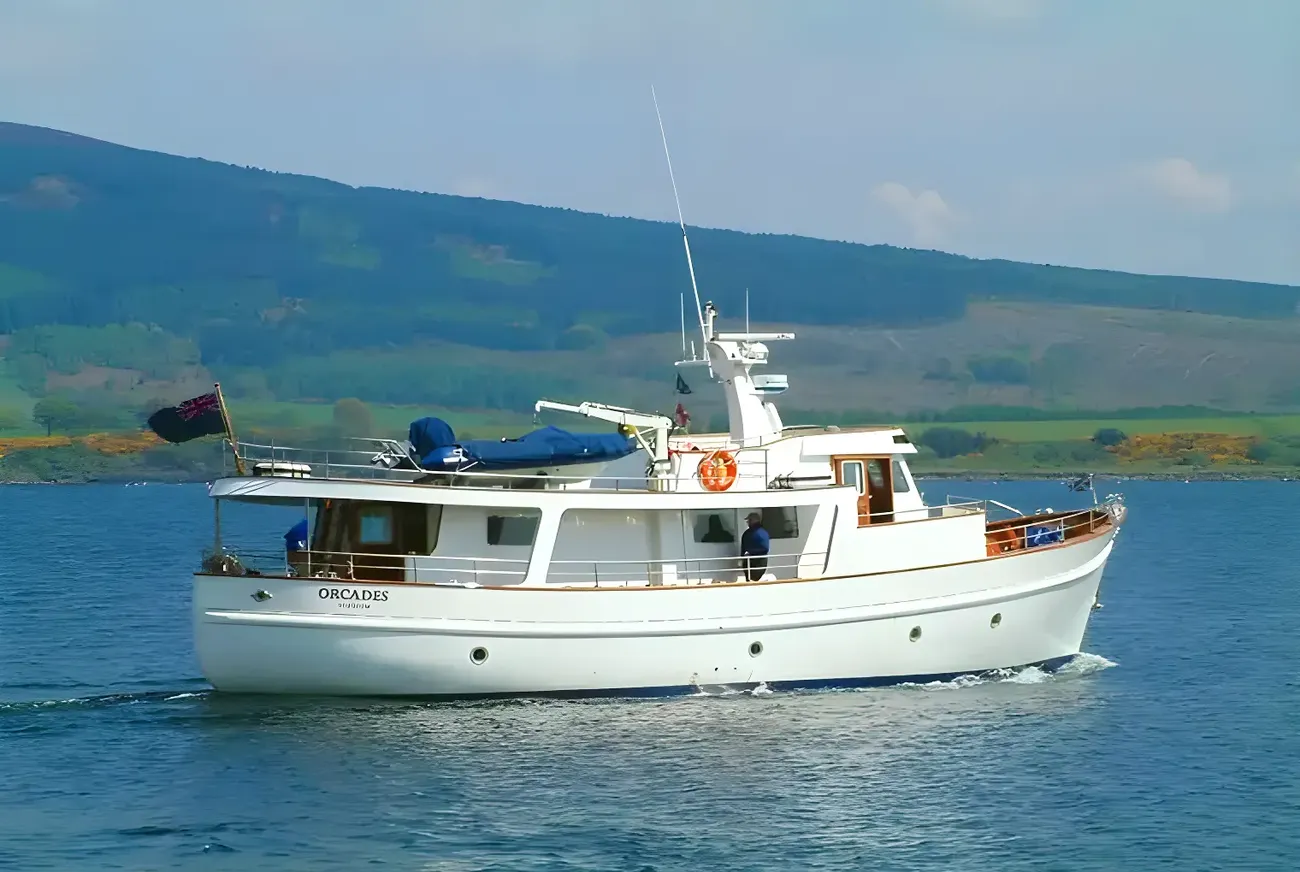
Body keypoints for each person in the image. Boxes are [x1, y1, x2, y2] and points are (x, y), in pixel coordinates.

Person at [740, 512, 770, 581]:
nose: (747, 522)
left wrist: (747, 554)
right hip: (760, 560)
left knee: (751, 578)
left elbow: (765, 548)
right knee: (754, 578)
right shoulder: (763, 532)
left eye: (749, 520)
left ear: (753, 521)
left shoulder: (748, 533)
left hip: (755, 560)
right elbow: (765, 548)